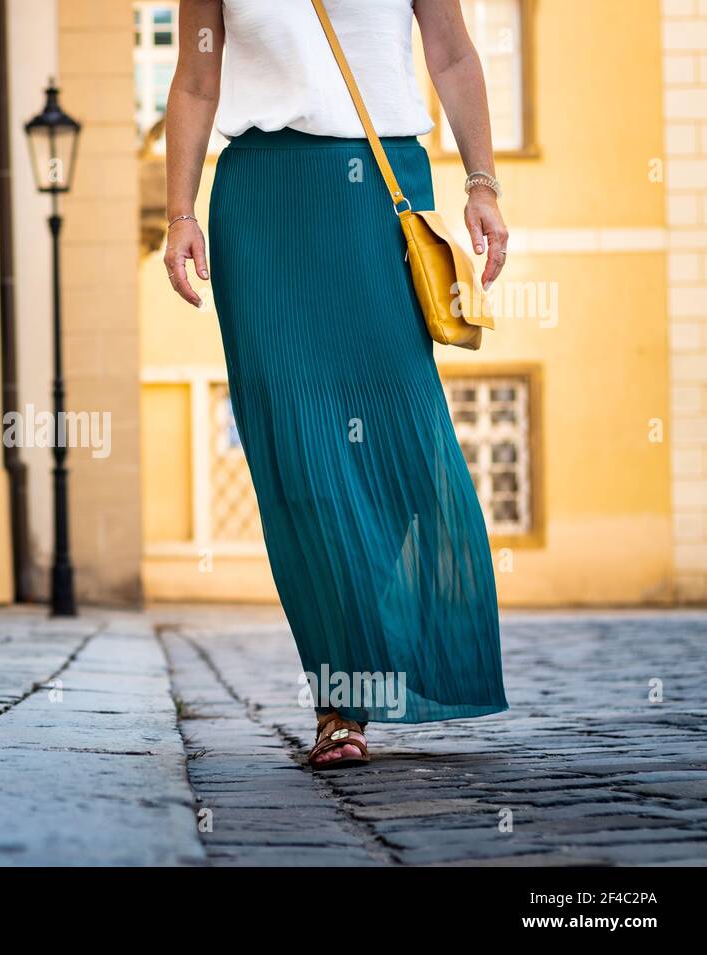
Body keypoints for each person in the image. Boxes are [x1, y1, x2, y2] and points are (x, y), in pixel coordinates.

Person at [163, 0, 510, 769]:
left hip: (378, 190)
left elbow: (450, 53)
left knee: (405, 445)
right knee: (300, 461)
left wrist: (481, 184)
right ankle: (342, 700)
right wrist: (179, 211)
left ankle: (384, 638)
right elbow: (194, 78)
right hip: (262, 202)